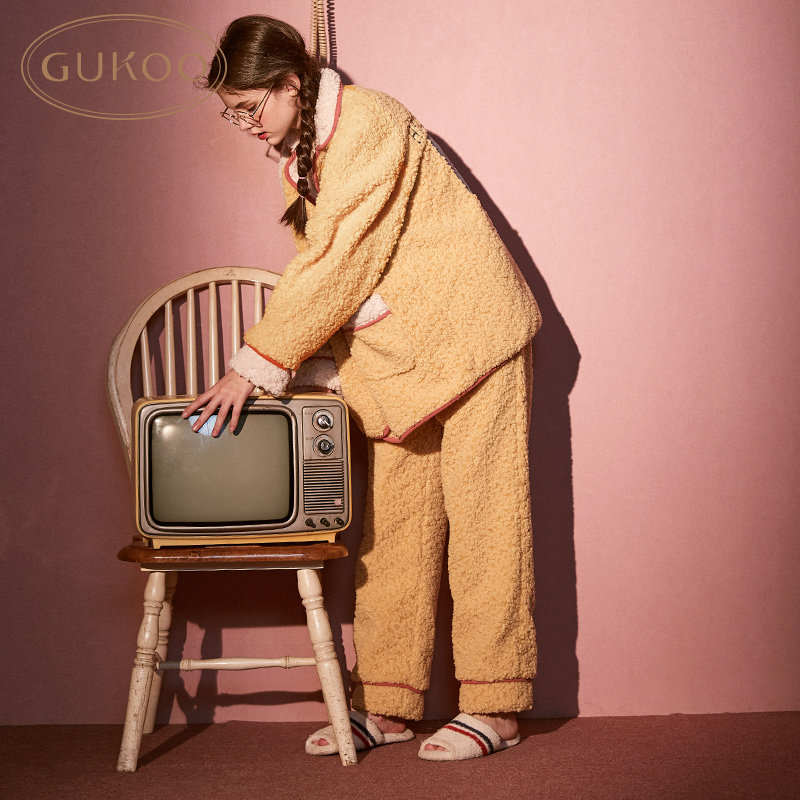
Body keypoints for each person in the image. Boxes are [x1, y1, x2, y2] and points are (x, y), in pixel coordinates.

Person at [184, 15, 542, 761]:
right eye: (232, 114)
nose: (245, 125)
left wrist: (253, 365)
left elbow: (340, 259)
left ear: (291, 83)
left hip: (473, 336)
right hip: (401, 359)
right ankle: (388, 704)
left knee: (487, 527)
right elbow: (340, 270)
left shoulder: (371, 121)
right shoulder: (302, 158)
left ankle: (497, 705)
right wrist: (310, 362)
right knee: (394, 537)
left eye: (249, 107)